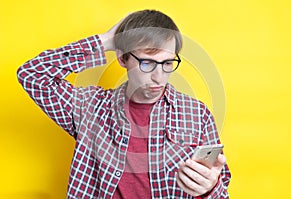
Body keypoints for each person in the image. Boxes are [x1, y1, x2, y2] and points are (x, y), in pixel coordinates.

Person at [17, 9, 231, 199]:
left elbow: (222, 191)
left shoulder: (197, 113)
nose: (159, 77)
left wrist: (209, 189)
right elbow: (32, 75)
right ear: (122, 58)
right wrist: (106, 41)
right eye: (147, 63)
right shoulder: (89, 106)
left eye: (167, 63)